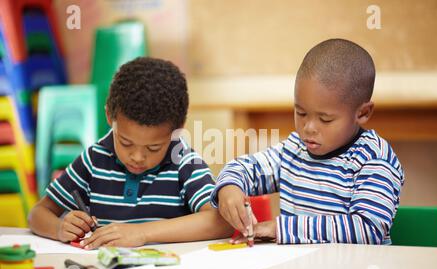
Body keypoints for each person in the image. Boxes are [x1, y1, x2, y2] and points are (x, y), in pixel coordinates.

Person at [211, 39, 405, 245]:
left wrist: (280, 228)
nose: (309, 127)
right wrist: (230, 187)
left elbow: (366, 229)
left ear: (363, 112)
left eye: (325, 119)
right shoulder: (294, 150)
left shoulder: (374, 158)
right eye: (301, 113)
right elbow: (244, 168)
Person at [29, 57, 233, 249]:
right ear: (109, 116)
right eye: (125, 142)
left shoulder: (183, 162)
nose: (137, 157)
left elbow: (220, 221)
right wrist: (59, 228)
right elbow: (38, 213)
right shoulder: (95, 159)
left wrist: (141, 233)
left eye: (153, 148)